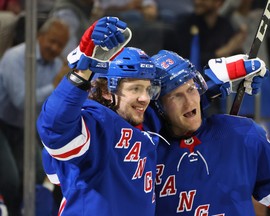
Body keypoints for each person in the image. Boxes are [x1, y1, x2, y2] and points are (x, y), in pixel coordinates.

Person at [36, 16, 163, 215]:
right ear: (105, 91)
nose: (144, 98)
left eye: (148, 89)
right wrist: (83, 70)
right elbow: (53, 127)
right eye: (135, 88)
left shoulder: (146, 122)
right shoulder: (96, 122)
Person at [150, 50, 270, 215]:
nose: (189, 102)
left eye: (191, 89)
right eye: (176, 96)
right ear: (158, 105)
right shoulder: (145, 152)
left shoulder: (240, 134)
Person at [0, 17, 69, 215]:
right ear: (40, 36)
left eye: (60, 45)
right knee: (9, 179)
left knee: (39, 174)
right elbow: (21, 101)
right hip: (2, 124)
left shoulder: (57, 65)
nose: (55, 48)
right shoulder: (15, 57)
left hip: (25, 127)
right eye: (52, 41)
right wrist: (55, 86)